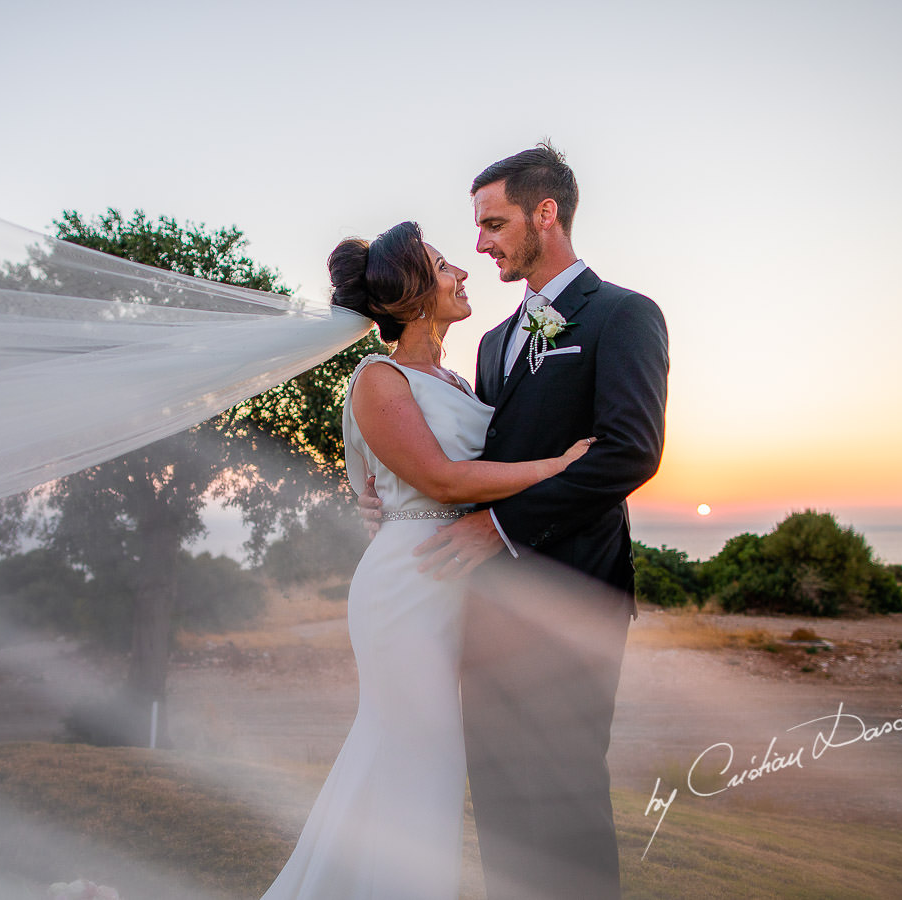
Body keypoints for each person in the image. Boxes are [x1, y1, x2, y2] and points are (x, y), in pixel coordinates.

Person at [362, 145, 669, 898]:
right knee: (499, 798)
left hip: (575, 595)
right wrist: (393, 497)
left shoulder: (624, 316)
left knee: (563, 797)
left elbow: (630, 452)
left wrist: (497, 530)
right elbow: (471, 457)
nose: (480, 244)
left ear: (545, 214)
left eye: (494, 223)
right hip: (485, 602)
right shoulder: (494, 345)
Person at [260, 220, 596, 900]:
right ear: (414, 297)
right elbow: (440, 480)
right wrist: (556, 468)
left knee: (404, 761)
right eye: (444, 267)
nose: (463, 273)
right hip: (408, 587)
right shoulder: (377, 379)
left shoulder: (455, 378)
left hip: (456, 582)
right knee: (426, 760)